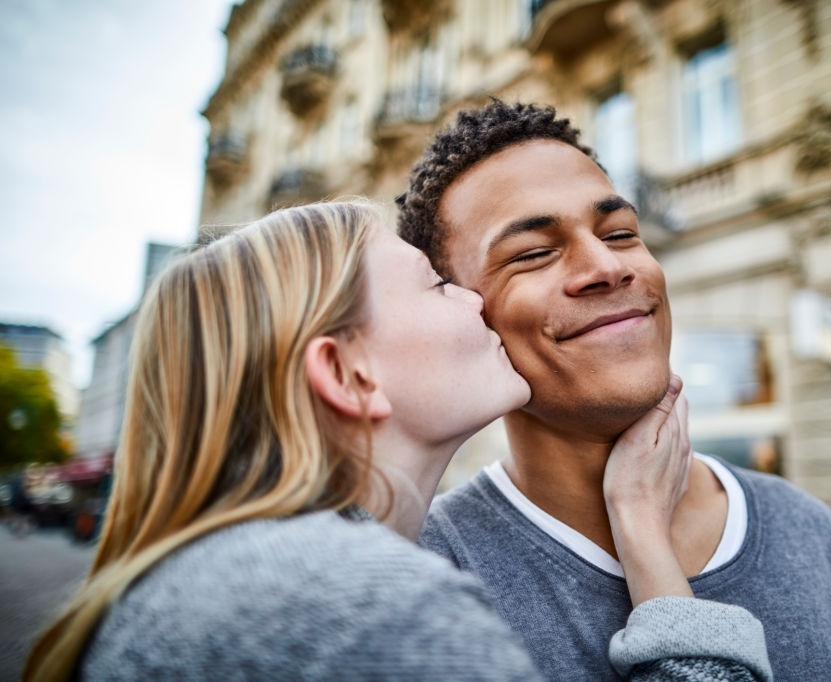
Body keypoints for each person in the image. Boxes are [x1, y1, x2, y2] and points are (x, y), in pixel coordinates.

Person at [24, 201, 772, 682]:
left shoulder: (226, 575)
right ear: (349, 373)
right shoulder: (363, 610)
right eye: (435, 284)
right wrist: (646, 536)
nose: (476, 297)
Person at [397, 101, 831, 681]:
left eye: (621, 233)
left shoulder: (811, 531)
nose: (606, 265)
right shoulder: (421, 574)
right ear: (462, 317)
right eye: (533, 253)